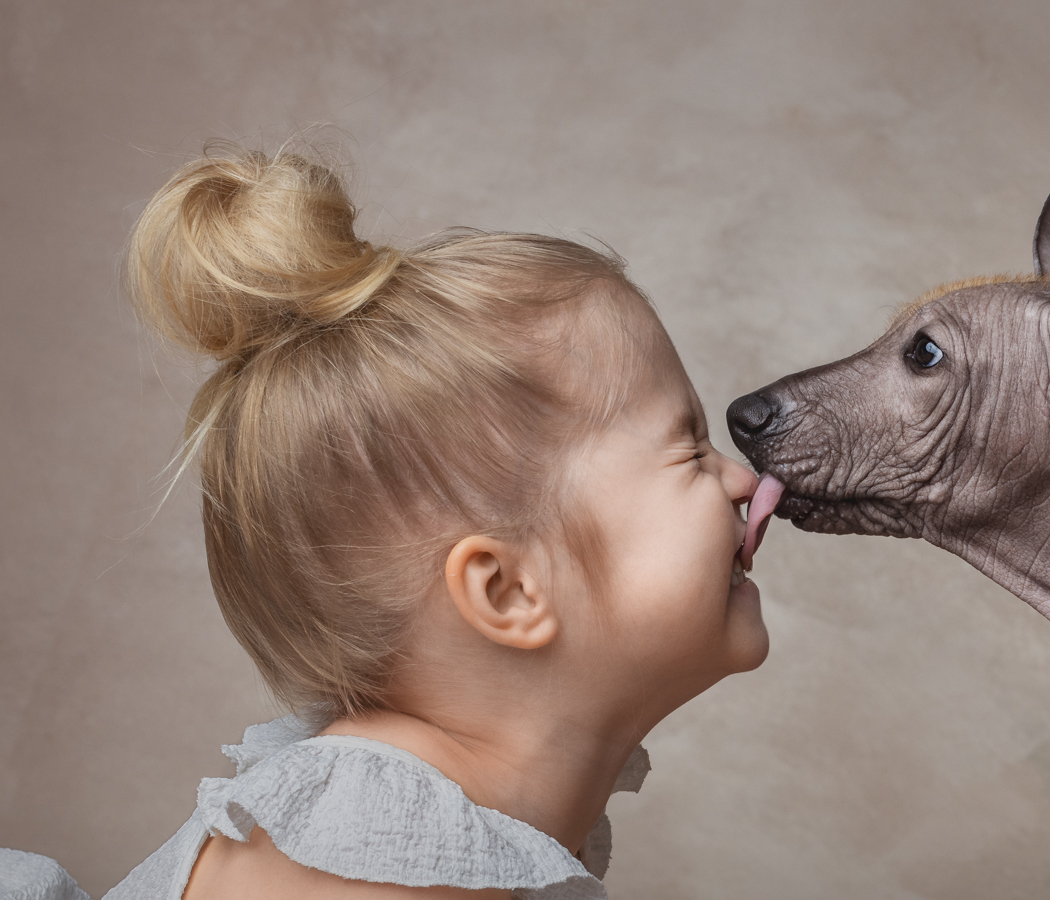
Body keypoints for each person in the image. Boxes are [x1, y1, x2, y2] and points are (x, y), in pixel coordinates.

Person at [95, 145, 778, 899]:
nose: (743, 480)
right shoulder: (359, 858)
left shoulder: (472, 830)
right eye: (690, 449)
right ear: (510, 590)